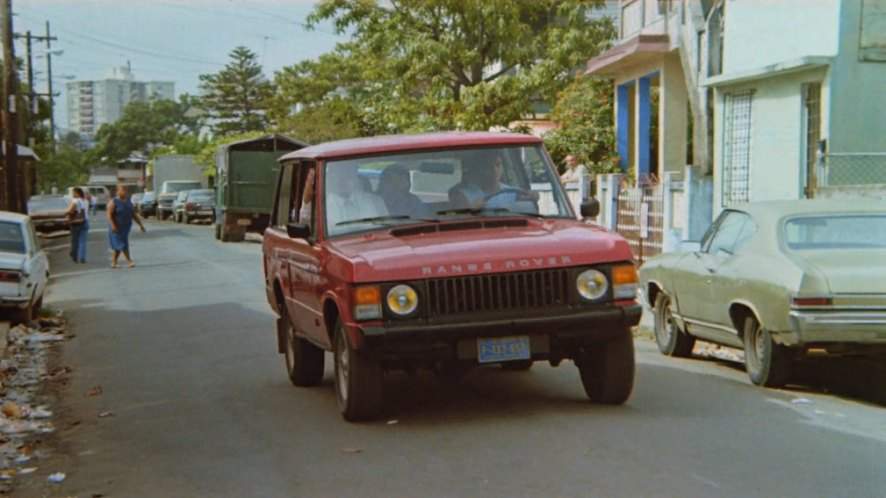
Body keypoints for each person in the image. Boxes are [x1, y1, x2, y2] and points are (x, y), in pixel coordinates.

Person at [325, 164, 388, 233]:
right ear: (330, 176)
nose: (343, 179)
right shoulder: (322, 207)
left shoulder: (375, 201)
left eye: (348, 174)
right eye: (338, 174)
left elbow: (387, 230)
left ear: (355, 176)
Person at [107, 185, 146, 268]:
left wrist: (141, 225)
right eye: (122, 190)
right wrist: (113, 225)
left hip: (125, 228)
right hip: (116, 227)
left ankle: (114, 262)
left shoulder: (128, 201)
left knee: (119, 245)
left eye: (125, 190)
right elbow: (109, 215)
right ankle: (129, 261)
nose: (124, 192)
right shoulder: (113, 201)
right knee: (122, 244)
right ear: (117, 192)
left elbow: (133, 214)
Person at [65, 187, 89, 264]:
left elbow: (70, 210)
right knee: (83, 241)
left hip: (76, 222)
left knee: (75, 240)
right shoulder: (85, 201)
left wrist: (66, 213)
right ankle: (82, 257)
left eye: (73, 193)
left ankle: (74, 255)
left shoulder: (75, 200)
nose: (72, 194)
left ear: (77, 193)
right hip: (85, 221)